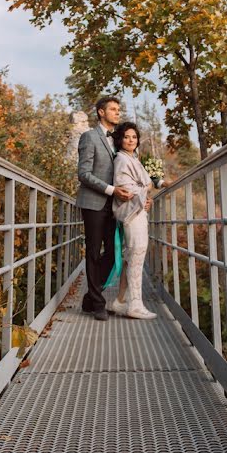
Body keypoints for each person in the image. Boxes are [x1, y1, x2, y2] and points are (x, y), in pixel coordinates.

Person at [77, 96, 134, 321]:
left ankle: (90, 297)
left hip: (114, 207)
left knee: (113, 252)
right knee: (93, 252)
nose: (117, 113)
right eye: (112, 109)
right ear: (101, 112)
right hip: (93, 203)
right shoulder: (89, 137)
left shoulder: (118, 140)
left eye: (118, 109)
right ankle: (97, 303)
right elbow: (84, 174)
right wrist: (111, 190)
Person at [108, 122, 163, 320]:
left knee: (131, 256)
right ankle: (135, 305)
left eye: (134, 137)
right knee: (137, 255)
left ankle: (120, 301)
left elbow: (142, 185)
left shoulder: (133, 158)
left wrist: (146, 197)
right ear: (120, 139)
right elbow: (125, 188)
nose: (131, 140)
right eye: (126, 137)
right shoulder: (121, 160)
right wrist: (145, 192)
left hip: (138, 211)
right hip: (132, 214)